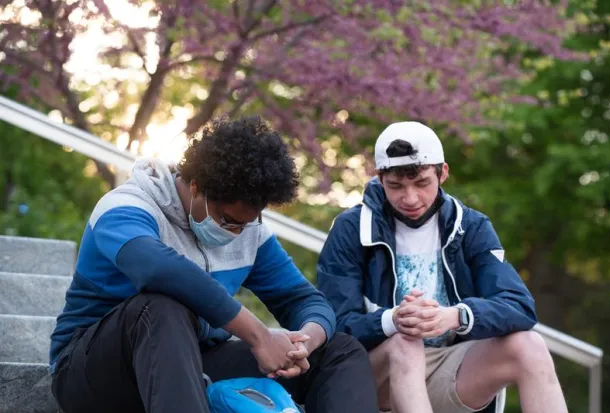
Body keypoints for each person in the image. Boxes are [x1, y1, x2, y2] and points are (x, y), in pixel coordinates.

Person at [49, 116, 378, 413]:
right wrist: (259, 336)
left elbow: (303, 299)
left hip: (189, 366)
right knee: (160, 306)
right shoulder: (127, 206)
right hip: (95, 374)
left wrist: (303, 343)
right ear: (197, 187)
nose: (235, 232)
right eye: (229, 220)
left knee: (339, 349)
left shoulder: (250, 232)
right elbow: (159, 270)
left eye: (246, 224)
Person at [317, 121, 568, 413]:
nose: (410, 198)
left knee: (531, 346)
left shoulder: (471, 227)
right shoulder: (351, 229)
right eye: (396, 186)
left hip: (449, 372)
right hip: (374, 379)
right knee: (405, 342)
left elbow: (520, 307)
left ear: (443, 173)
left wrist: (455, 316)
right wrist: (392, 321)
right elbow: (332, 324)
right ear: (379, 178)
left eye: (422, 183)